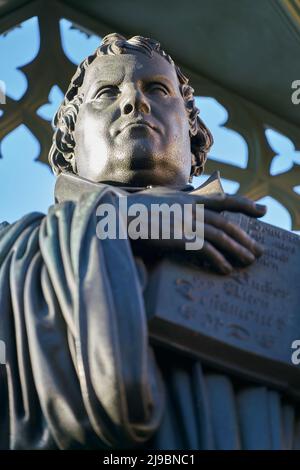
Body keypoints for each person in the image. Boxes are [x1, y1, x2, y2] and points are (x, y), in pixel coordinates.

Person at [0, 33, 298, 450]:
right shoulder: (16, 253)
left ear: (191, 126)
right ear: (70, 136)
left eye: (157, 89)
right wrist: (122, 224)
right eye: (106, 92)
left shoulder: (281, 263)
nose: (134, 102)